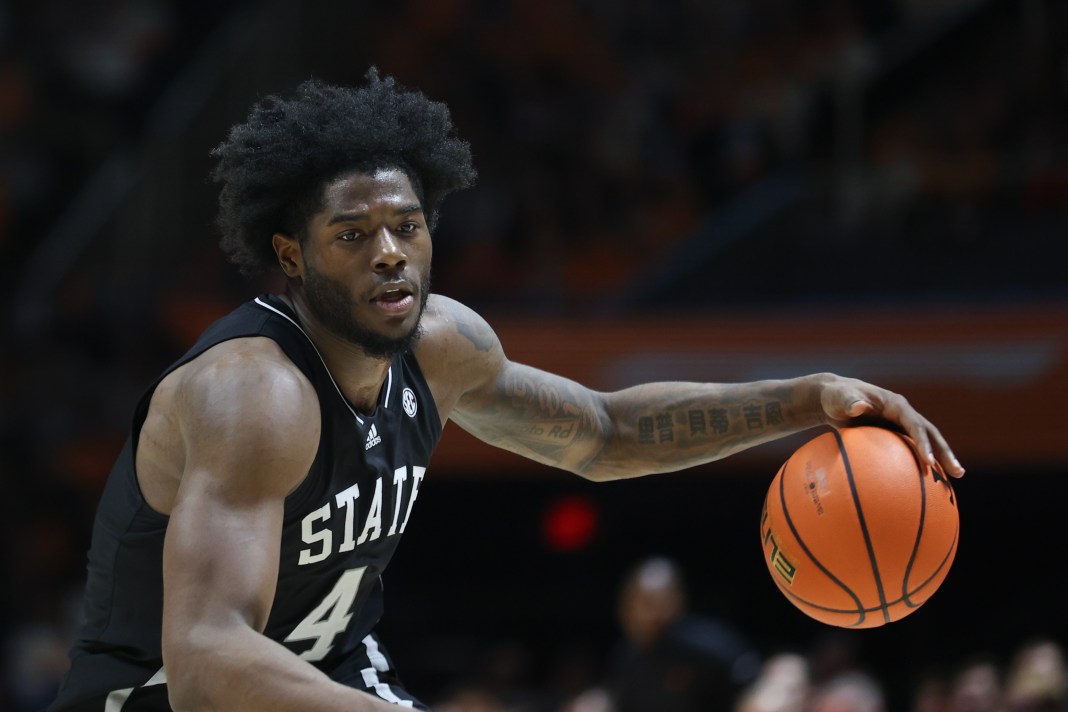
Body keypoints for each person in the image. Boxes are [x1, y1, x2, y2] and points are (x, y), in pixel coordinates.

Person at [47, 69, 966, 711]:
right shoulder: (254, 394)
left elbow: (604, 433)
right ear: (291, 255)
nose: (391, 252)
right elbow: (207, 660)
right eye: (353, 234)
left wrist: (808, 398)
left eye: (406, 225)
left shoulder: (443, 346)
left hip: (333, 675)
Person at [607, 556, 759, 712]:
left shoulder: (706, 642)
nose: (650, 613)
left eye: (660, 602)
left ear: (679, 600)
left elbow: (750, 674)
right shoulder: (626, 656)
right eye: (643, 602)